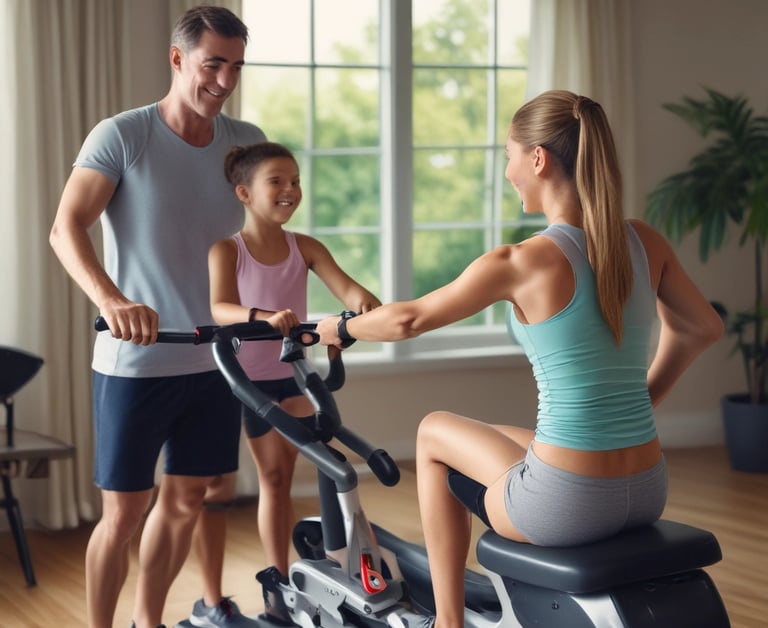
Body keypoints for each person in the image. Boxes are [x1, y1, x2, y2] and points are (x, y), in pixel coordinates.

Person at [316, 89, 725, 628]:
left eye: (509, 155)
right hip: (647, 487)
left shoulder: (523, 260)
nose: (508, 171)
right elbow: (703, 326)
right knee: (514, 438)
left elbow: (407, 320)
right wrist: (641, 400)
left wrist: (338, 326)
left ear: (538, 158)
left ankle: (447, 622)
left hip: (570, 507)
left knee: (434, 432)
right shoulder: (644, 241)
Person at [49, 6, 268, 628]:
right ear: (178, 59)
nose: (225, 80)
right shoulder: (123, 135)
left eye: (236, 66)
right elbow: (65, 229)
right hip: (137, 362)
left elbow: (261, 236)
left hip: (217, 359)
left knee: (190, 499)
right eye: (212, 64)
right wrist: (112, 300)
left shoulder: (243, 143)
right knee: (124, 513)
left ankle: (149, 621)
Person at [187, 141, 381, 626]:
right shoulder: (226, 250)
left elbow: (348, 287)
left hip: (289, 375)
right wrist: (263, 317)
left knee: (277, 479)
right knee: (216, 490)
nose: (291, 190)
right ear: (245, 192)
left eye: (295, 180)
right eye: (277, 181)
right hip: (236, 381)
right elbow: (220, 308)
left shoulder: (306, 247)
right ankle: (223, 594)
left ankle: (279, 585)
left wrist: (361, 304)